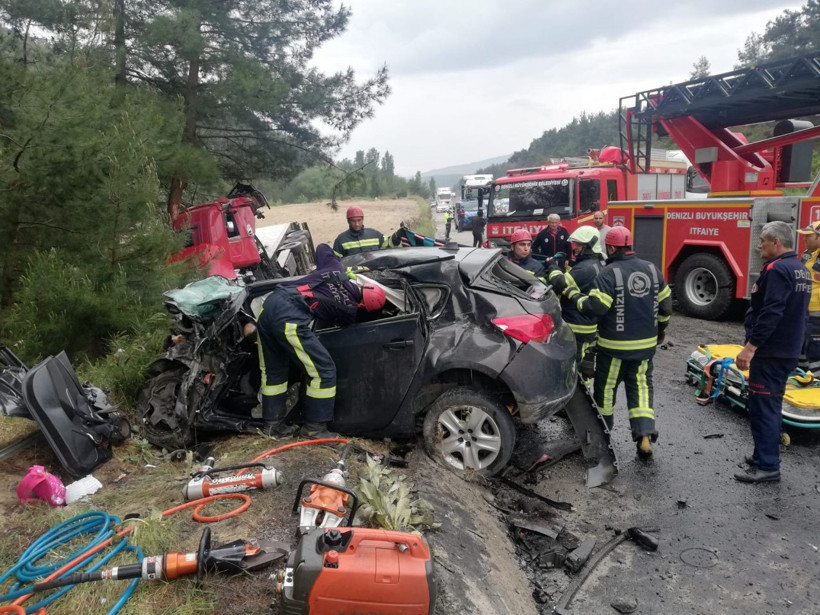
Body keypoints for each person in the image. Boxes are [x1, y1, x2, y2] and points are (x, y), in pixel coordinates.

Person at [559, 225, 672, 459]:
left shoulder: (609, 274)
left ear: (610, 247)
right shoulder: (652, 269)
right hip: (645, 348)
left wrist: (574, 296)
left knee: (606, 391)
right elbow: (666, 307)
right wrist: (660, 331)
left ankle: (601, 439)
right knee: (640, 387)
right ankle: (644, 437)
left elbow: (596, 308)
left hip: (614, 348)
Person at [256, 243, 386, 439]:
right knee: (323, 372)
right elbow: (344, 326)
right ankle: (315, 429)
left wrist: (341, 270)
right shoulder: (350, 311)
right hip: (289, 318)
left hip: (268, 307)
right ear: (362, 306)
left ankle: (273, 426)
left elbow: (323, 248)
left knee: (274, 372)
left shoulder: (335, 270)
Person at [733, 221, 810, 483]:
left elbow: (771, 312)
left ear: (776, 242)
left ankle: (767, 466)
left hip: (771, 352)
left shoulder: (777, 270)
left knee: (763, 407)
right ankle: (762, 456)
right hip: (786, 349)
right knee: (770, 404)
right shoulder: (800, 269)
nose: (759, 246)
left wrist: (750, 348)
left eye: (763, 241)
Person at [548, 225, 605, 372]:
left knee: (573, 369)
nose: (576, 247)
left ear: (589, 246)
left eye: (579, 244)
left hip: (577, 326)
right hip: (585, 325)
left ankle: (577, 394)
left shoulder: (586, 268)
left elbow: (559, 283)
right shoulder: (593, 264)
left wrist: (552, 267)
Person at [796, 220, 820, 374]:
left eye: (808, 236)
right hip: (804, 309)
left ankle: (817, 383)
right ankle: (801, 376)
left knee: (814, 350)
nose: (804, 238)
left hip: (817, 312)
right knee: (800, 345)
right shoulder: (809, 252)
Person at [332, 206, 400, 257]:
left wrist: (397, 237)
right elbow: (335, 262)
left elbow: (388, 243)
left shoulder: (374, 234)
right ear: (348, 221)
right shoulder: (340, 240)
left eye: (359, 220)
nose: (357, 224)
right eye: (353, 221)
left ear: (363, 219)